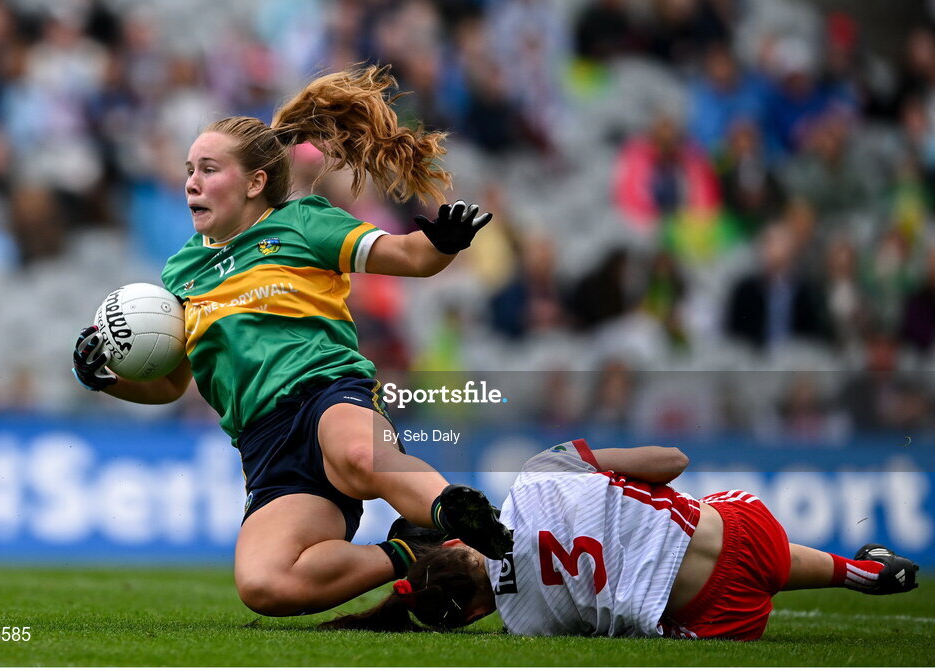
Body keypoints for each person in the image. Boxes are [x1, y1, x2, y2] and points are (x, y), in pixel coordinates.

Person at [70, 65, 513, 616]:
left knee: (359, 456)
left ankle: (457, 518)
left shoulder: (303, 222)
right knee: (265, 585)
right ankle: (413, 549)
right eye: (189, 170)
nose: (191, 182)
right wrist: (106, 381)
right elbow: (168, 386)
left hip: (328, 393)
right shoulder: (181, 271)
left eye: (208, 169)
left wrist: (442, 243)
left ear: (255, 182)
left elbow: (411, 257)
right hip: (264, 445)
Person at [324, 440, 919, 639]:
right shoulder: (539, 471)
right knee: (705, 516)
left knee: (657, 589)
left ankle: (857, 567)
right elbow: (674, 458)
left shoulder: (525, 624)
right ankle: (854, 569)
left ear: (471, 614)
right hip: (745, 530)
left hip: (721, 622)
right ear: (453, 544)